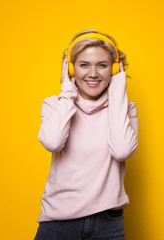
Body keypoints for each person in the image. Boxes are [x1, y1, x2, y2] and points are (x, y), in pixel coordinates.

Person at [34, 29, 139, 240]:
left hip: (108, 224)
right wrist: (68, 92)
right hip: (58, 223)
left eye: (102, 65)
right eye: (84, 65)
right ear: (70, 69)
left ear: (115, 69)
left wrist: (118, 90)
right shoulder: (54, 104)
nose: (93, 74)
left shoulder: (126, 108)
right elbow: (53, 142)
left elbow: (121, 150)